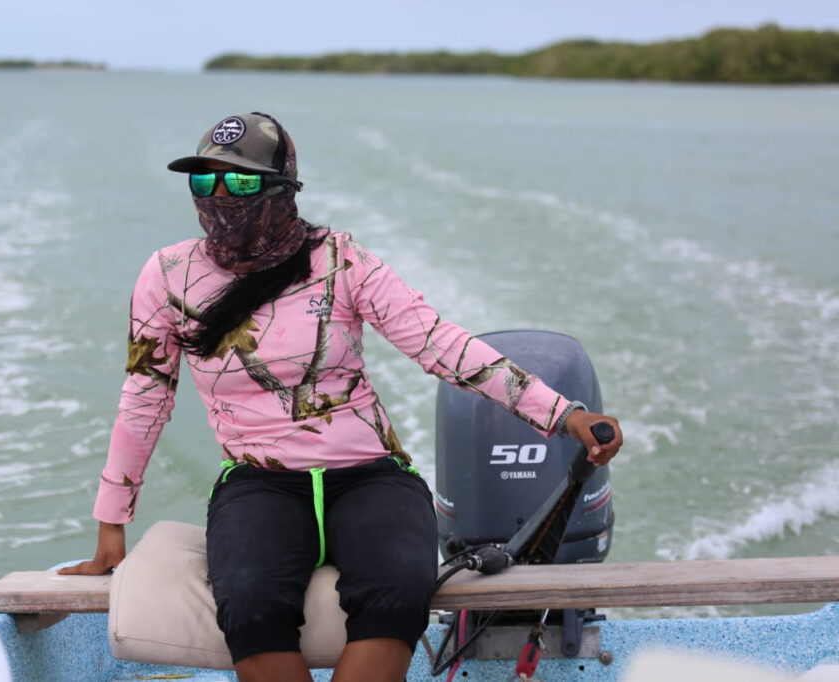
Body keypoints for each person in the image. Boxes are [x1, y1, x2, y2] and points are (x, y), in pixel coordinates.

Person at [60, 112, 623, 682]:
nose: (221, 195)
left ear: (284, 190)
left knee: (397, 593)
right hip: (258, 479)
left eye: (243, 181)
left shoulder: (339, 261)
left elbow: (440, 345)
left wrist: (564, 415)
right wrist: (112, 526)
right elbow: (144, 396)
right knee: (250, 608)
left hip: (371, 475)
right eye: (205, 180)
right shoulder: (167, 276)